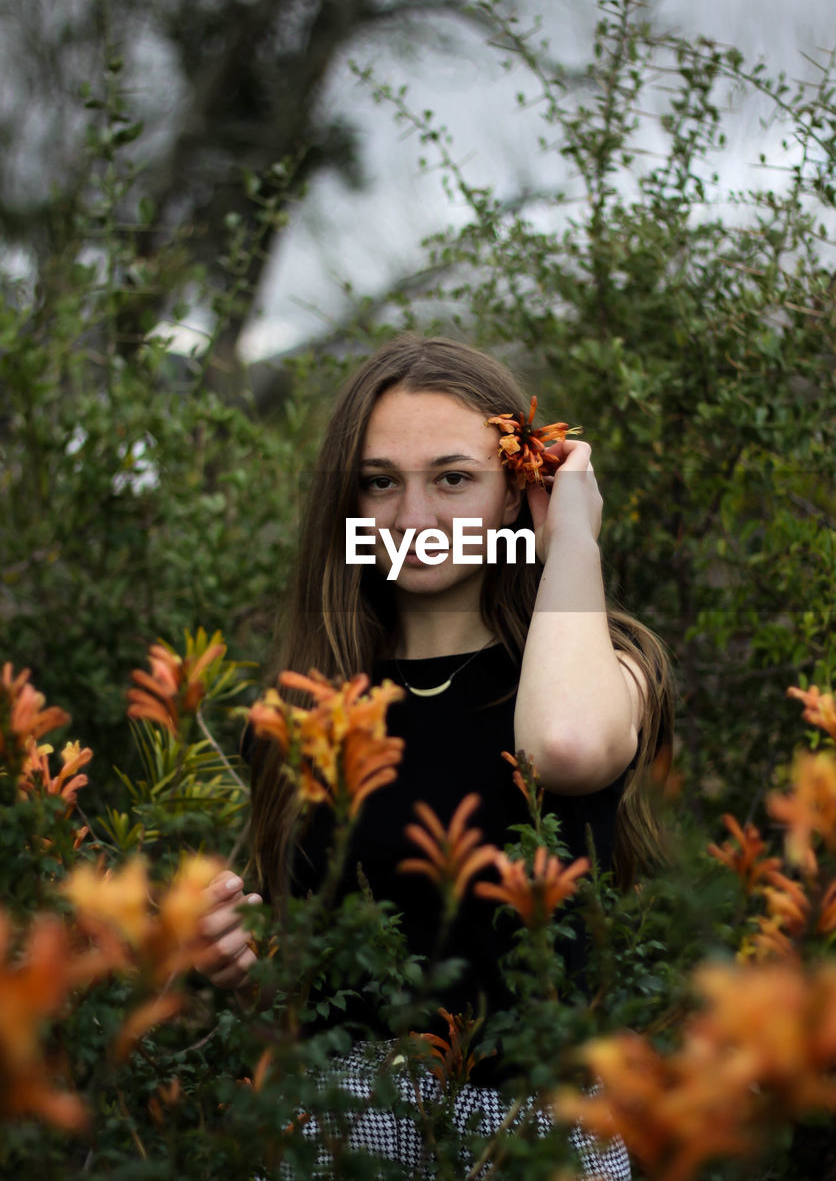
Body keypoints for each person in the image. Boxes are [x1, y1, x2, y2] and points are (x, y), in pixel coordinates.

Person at [198, 333, 674, 1178]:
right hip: (342, 1126)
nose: (412, 521)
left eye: (453, 478)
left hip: (539, 1129)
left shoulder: (610, 666)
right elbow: (311, 995)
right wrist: (237, 962)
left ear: (511, 490)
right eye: (380, 483)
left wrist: (569, 538)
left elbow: (561, 747)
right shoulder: (309, 700)